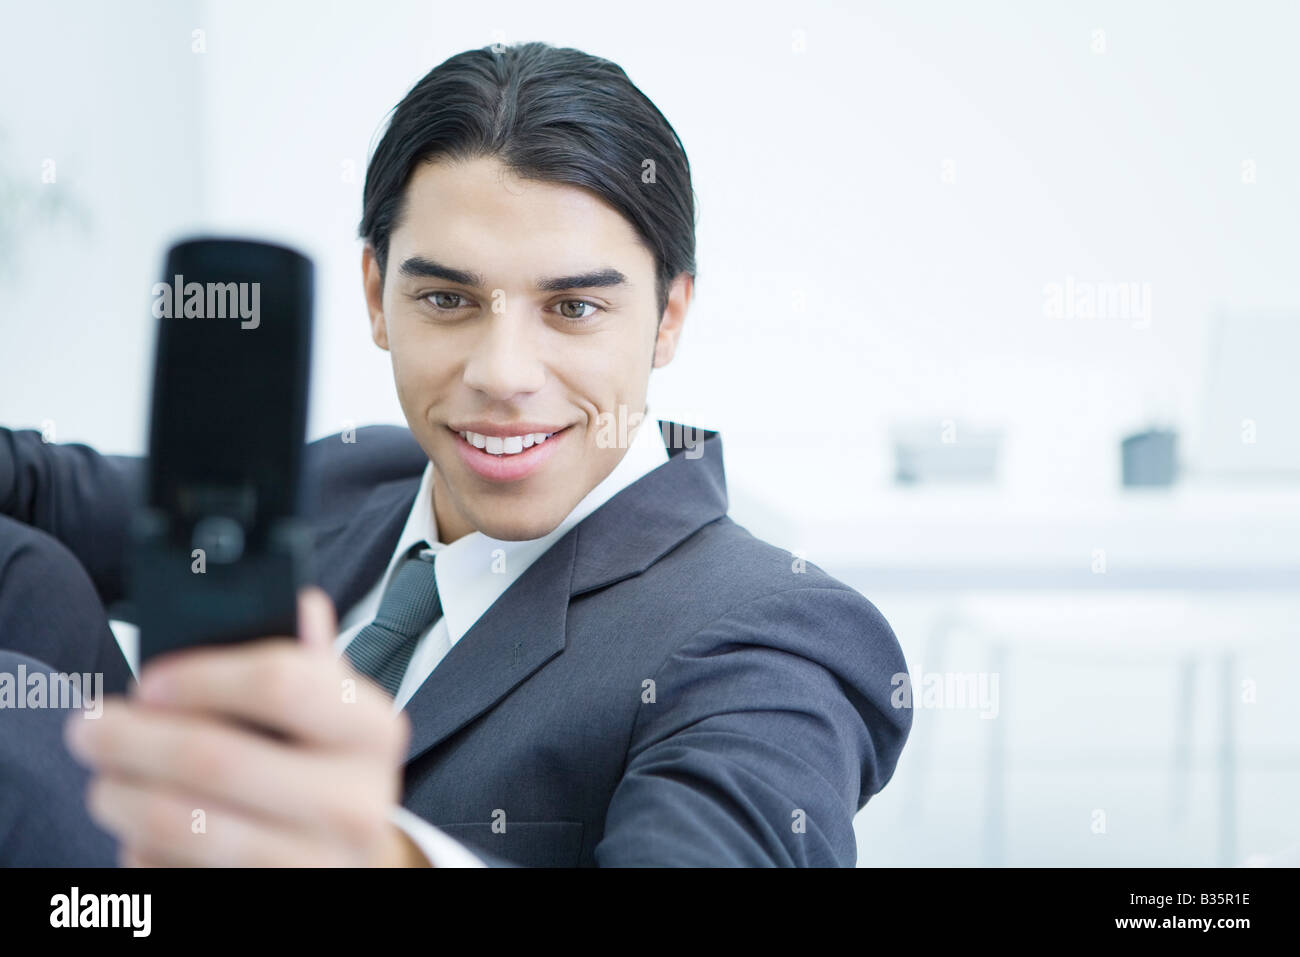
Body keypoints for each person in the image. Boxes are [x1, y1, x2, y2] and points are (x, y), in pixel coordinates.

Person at [0, 40, 911, 867]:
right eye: (447, 300)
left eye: (574, 307)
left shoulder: (774, 633)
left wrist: (382, 857)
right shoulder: (363, 474)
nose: (502, 374)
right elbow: (35, 486)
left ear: (669, 316)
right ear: (376, 295)